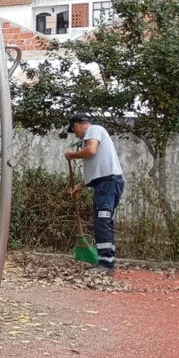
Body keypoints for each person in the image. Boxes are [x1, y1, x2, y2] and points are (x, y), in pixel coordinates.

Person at [65, 113, 125, 276]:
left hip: (108, 183)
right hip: (104, 183)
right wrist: (80, 186)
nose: (76, 135)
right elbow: (97, 169)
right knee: (102, 222)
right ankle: (105, 261)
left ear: (77, 125)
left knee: (102, 221)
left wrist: (72, 155)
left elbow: (91, 151)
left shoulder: (94, 130)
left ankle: (106, 264)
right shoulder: (96, 135)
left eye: (74, 131)